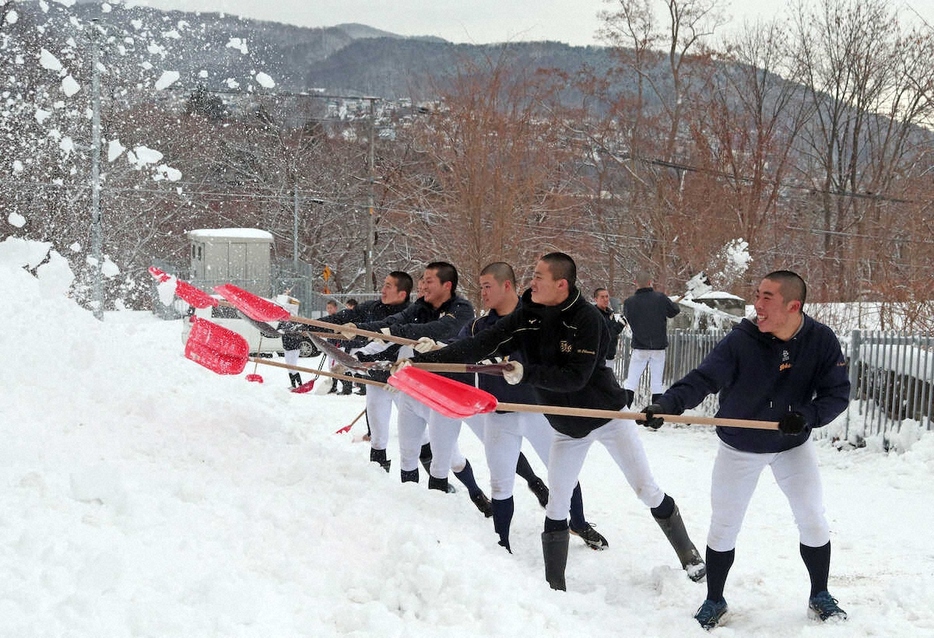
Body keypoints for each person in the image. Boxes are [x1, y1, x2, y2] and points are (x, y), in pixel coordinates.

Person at [411, 252, 705, 590]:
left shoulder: (588, 319)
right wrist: (431, 357)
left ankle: (689, 554)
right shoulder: (527, 315)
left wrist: (526, 374)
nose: (531, 282)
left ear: (561, 285)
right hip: (566, 426)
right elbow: (482, 344)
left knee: (646, 489)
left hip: (606, 416)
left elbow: (575, 378)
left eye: (538, 277)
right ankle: (555, 586)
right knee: (556, 505)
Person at [638, 270, 850, 629]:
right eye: (757, 294)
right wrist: (667, 405)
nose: (758, 304)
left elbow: (837, 393)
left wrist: (807, 416)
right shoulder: (742, 340)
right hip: (740, 445)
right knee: (724, 526)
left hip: (790, 446)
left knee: (812, 518)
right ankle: (715, 599)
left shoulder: (820, 340)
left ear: (793, 306)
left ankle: (820, 595)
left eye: (767, 297)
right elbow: (703, 378)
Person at [465, 262, 607, 552]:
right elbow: (463, 347)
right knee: (500, 482)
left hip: (537, 409)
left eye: (487, 286)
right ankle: (501, 544)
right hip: (499, 414)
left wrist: (516, 363)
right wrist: (432, 351)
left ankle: (578, 522)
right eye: (480, 287)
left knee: (561, 474)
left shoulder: (535, 317)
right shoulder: (480, 325)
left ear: (507, 285)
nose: (483, 293)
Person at [345, 262, 492, 516]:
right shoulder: (420, 307)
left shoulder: (461, 310)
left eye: (428, 281)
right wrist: (361, 332)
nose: (422, 285)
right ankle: (412, 513)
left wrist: (408, 337)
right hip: (414, 392)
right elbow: (396, 324)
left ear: (447, 286)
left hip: (443, 395)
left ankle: (476, 495)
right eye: (421, 280)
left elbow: (433, 330)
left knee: (449, 460)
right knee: (408, 453)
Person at [315, 273, 413, 470]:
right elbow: (341, 319)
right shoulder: (372, 307)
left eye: (388, 286)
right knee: (377, 435)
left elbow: (390, 345)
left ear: (402, 293)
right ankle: (377, 482)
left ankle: (436, 488)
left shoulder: (412, 313)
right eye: (383, 285)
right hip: (376, 376)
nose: (382, 290)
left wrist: (360, 358)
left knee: (416, 437)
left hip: (403, 379)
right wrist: (310, 325)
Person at [622, 271, 680, 408]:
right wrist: (675, 305)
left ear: (636, 283)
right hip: (658, 348)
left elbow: (628, 318)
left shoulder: (629, 302)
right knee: (656, 382)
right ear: (650, 282)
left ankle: (624, 411)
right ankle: (656, 414)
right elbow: (673, 312)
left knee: (631, 381)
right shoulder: (660, 298)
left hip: (639, 346)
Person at [593, 287, 626, 368]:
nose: (605, 299)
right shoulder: (594, 314)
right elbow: (606, 335)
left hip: (609, 355)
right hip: (598, 357)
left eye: (607, 296)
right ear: (596, 299)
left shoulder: (609, 313)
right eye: (602, 297)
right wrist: (620, 325)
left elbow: (612, 333)